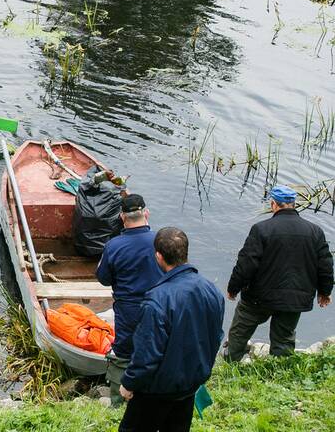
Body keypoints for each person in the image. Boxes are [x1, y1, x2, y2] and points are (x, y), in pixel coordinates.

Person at [119, 227, 224, 432]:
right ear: (185, 252)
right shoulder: (211, 290)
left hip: (157, 390)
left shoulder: (157, 300)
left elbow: (147, 355)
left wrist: (129, 383)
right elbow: (216, 336)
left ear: (159, 256)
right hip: (190, 384)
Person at [225, 185, 333, 361]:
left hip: (259, 296)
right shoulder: (315, 231)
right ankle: (280, 368)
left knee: (241, 328)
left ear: (273, 204)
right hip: (295, 298)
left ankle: (232, 361)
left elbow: (247, 263)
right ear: (294, 204)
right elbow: (326, 265)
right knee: (284, 337)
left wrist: (233, 288)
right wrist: (324, 292)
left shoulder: (261, 229)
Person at [96, 194, 163, 406]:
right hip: (159, 306)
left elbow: (104, 279)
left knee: (123, 352)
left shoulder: (114, 246)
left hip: (128, 310)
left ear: (121, 217)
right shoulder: (161, 241)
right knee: (156, 346)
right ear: (146, 213)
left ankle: (117, 401)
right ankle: (152, 395)